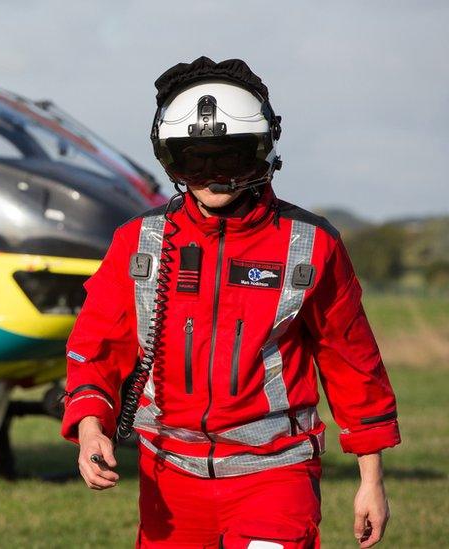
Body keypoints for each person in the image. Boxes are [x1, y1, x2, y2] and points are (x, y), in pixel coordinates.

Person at [60, 57, 399, 548]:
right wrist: (92, 429)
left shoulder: (313, 245)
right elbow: (95, 346)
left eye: (228, 156)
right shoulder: (139, 243)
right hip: (169, 482)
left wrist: (372, 479)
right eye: (191, 159)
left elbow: (353, 364)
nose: (209, 173)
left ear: (261, 152)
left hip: (277, 475)